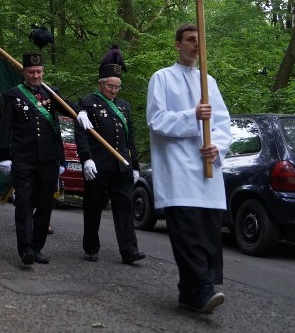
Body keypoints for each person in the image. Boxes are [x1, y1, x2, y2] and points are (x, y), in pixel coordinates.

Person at [146, 23, 232, 314]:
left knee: (207, 230)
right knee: (187, 232)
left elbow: (222, 124)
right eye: (190, 40)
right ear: (177, 45)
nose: (196, 45)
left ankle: (189, 292)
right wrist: (191, 115)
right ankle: (201, 289)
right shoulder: (162, 78)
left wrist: (217, 146)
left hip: (206, 168)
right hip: (178, 169)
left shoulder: (209, 82)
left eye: (200, 41)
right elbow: (156, 120)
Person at [74, 53, 145, 264]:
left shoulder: (124, 106)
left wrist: (134, 166)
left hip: (121, 166)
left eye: (117, 87)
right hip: (98, 166)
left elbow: (129, 138)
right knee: (93, 207)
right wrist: (86, 159)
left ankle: (129, 250)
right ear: (101, 83)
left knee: (124, 209)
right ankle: (91, 247)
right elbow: (81, 134)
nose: (113, 91)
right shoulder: (88, 103)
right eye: (110, 86)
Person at [0, 53, 65, 265]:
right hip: (23, 157)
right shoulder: (12, 95)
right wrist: (5, 156)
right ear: (24, 72)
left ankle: (37, 247)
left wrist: (80, 114)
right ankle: (25, 248)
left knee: (46, 203)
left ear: (43, 72)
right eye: (31, 72)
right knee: (25, 203)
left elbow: (67, 114)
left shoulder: (52, 93)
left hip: (48, 158)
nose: (35, 75)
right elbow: (4, 128)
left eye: (38, 72)